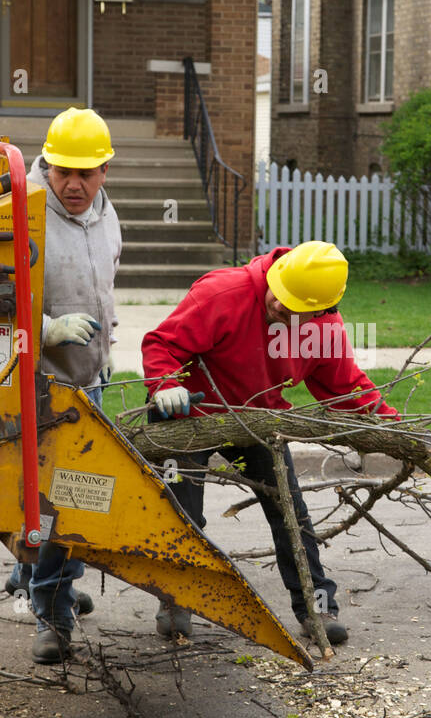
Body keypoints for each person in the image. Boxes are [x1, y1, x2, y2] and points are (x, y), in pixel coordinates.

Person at [142, 241, 397, 645]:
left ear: (321, 311)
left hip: (257, 417)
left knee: (289, 511)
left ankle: (316, 606)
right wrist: (164, 384)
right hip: (186, 413)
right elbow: (163, 344)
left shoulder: (323, 328)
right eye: (279, 294)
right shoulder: (222, 292)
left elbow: (345, 386)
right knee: (182, 511)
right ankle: (177, 598)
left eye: (294, 307)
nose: (279, 305)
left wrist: (393, 428)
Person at [4, 107, 122, 664]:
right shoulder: (22, 213)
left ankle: (41, 575)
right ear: (46, 165)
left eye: (87, 173)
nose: (74, 184)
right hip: (38, 384)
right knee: (63, 498)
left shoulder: (106, 214)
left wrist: (106, 350)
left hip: (87, 380)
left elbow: (104, 285)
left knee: (77, 497)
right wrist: (47, 329)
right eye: (62, 172)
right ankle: (50, 610)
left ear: (104, 172)